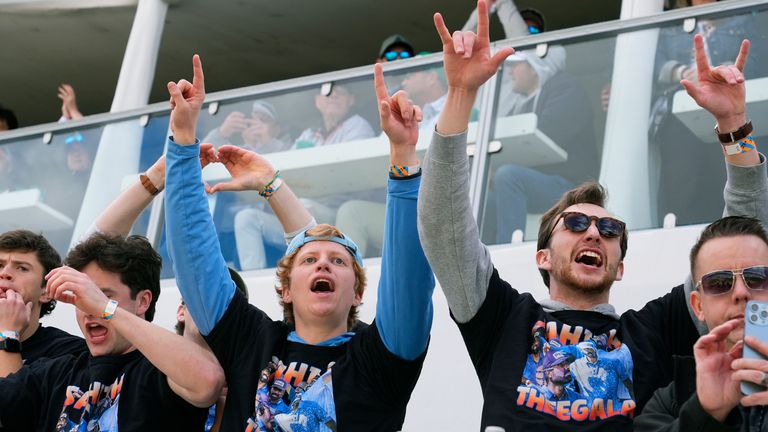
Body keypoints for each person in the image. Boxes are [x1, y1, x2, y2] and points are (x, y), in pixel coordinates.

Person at [418, 2, 766, 429]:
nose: (595, 234)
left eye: (610, 229)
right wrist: (459, 96)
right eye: (577, 224)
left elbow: (742, 244)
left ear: (619, 267)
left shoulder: (652, 332)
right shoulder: (504, 318)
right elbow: (444, 230)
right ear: (542, 256)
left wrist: (733, 125)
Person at [164, 55, 433, 430]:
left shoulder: (380, 357)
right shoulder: (252, 342)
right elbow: (195, 259)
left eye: (339, 262)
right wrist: (182, 142)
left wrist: (403, 158)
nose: (323, 263)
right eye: (309, 260)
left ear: (357, 294)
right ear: (285, 290)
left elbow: (408, 281)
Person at [0, 232, 224, 430]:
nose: (89, 308)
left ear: (143, 301)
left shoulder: (158, 371)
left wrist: (104, 308)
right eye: (82, 296)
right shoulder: (55, 372)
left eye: (103, 295)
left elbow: (208, 380)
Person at [634, 216, 768, 431]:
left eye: (758, 277)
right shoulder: (668, 402)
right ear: (698, 306)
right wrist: (704, 413)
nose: (741, 292)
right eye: (719, 283)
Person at [491, 47, 598, 242]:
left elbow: (547, 135)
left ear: (534, 67)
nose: (509, 72)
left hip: (572, 187)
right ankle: (480, 259)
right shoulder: (522, 103)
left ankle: (503, 250)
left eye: (516, 65)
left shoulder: (565, 88)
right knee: (485, 199)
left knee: (508, 176)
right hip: (541, 184)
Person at [0, 230, 86, 369]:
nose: (4, 273)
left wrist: (8, 335)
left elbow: (13, 391)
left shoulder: (69, 352)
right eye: (0, 265)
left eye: (22, 268)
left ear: (46, 291)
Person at [292, 84, 374, 149]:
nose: (334, 95)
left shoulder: (358, 126)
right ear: (317, 101)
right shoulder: (308, 135)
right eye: (327, 91)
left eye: (341, 91)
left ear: (351, 100)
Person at [202, 100, 290, 154]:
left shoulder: (286, 147)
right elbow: (200, 156)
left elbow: (289, 157)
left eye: (263, 119)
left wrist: (267, 142)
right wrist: (221, 132)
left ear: (276, 130)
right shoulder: (235, 152)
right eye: (252, 119)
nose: (256, 124)